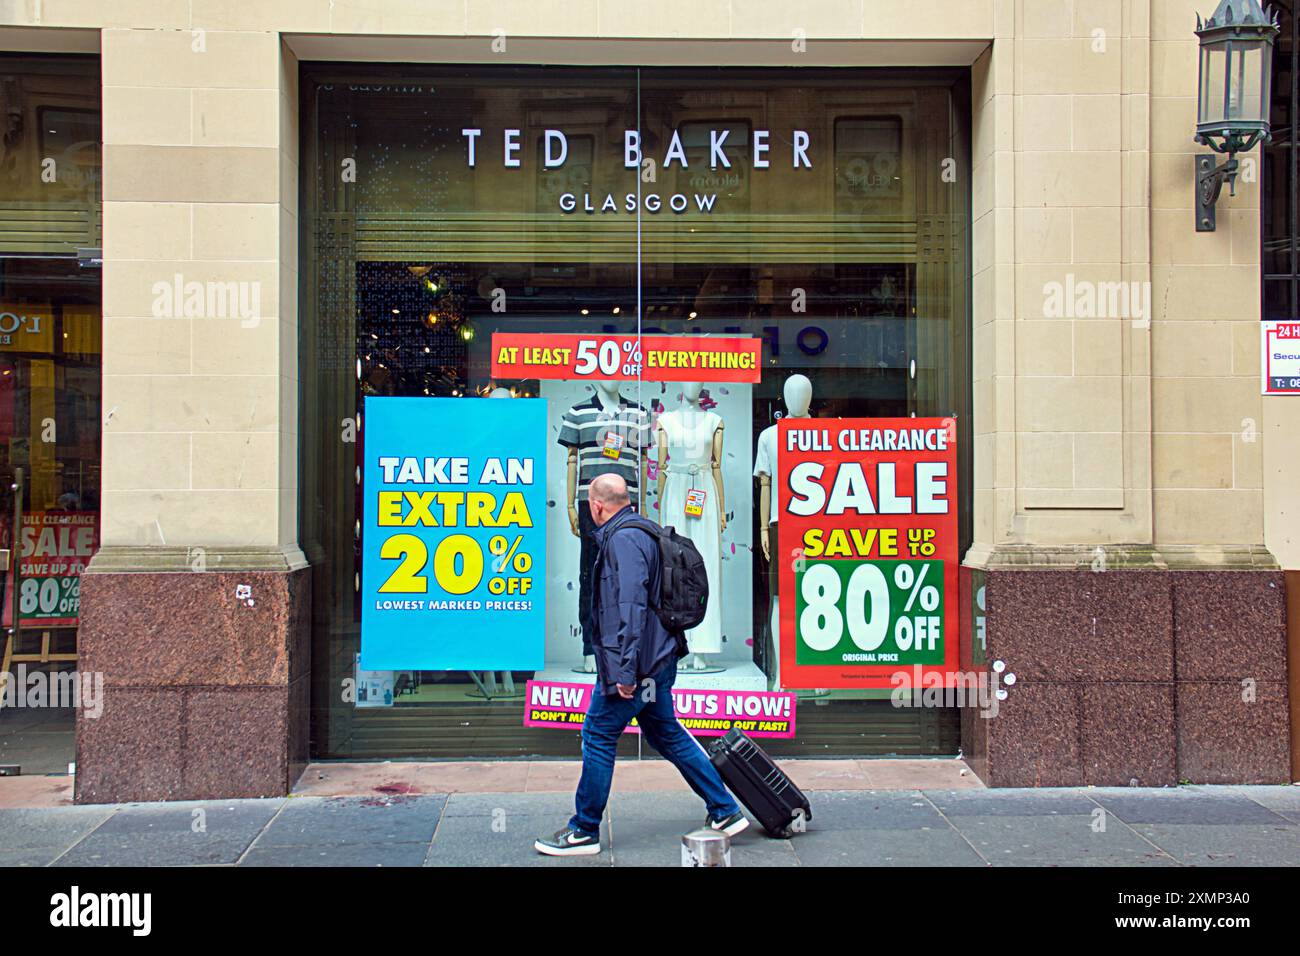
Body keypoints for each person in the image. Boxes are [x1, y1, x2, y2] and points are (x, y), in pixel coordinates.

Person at [535, 473, 747, 856]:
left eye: (589, 506)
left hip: (639, 665)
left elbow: (629, 610)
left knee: (598, 735)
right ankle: (725, 810)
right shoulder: (644, 529)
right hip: (659, 657)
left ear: (597, 506)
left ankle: (584, 829)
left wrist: (625, 673)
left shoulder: (623, 539)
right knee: (666, 733)